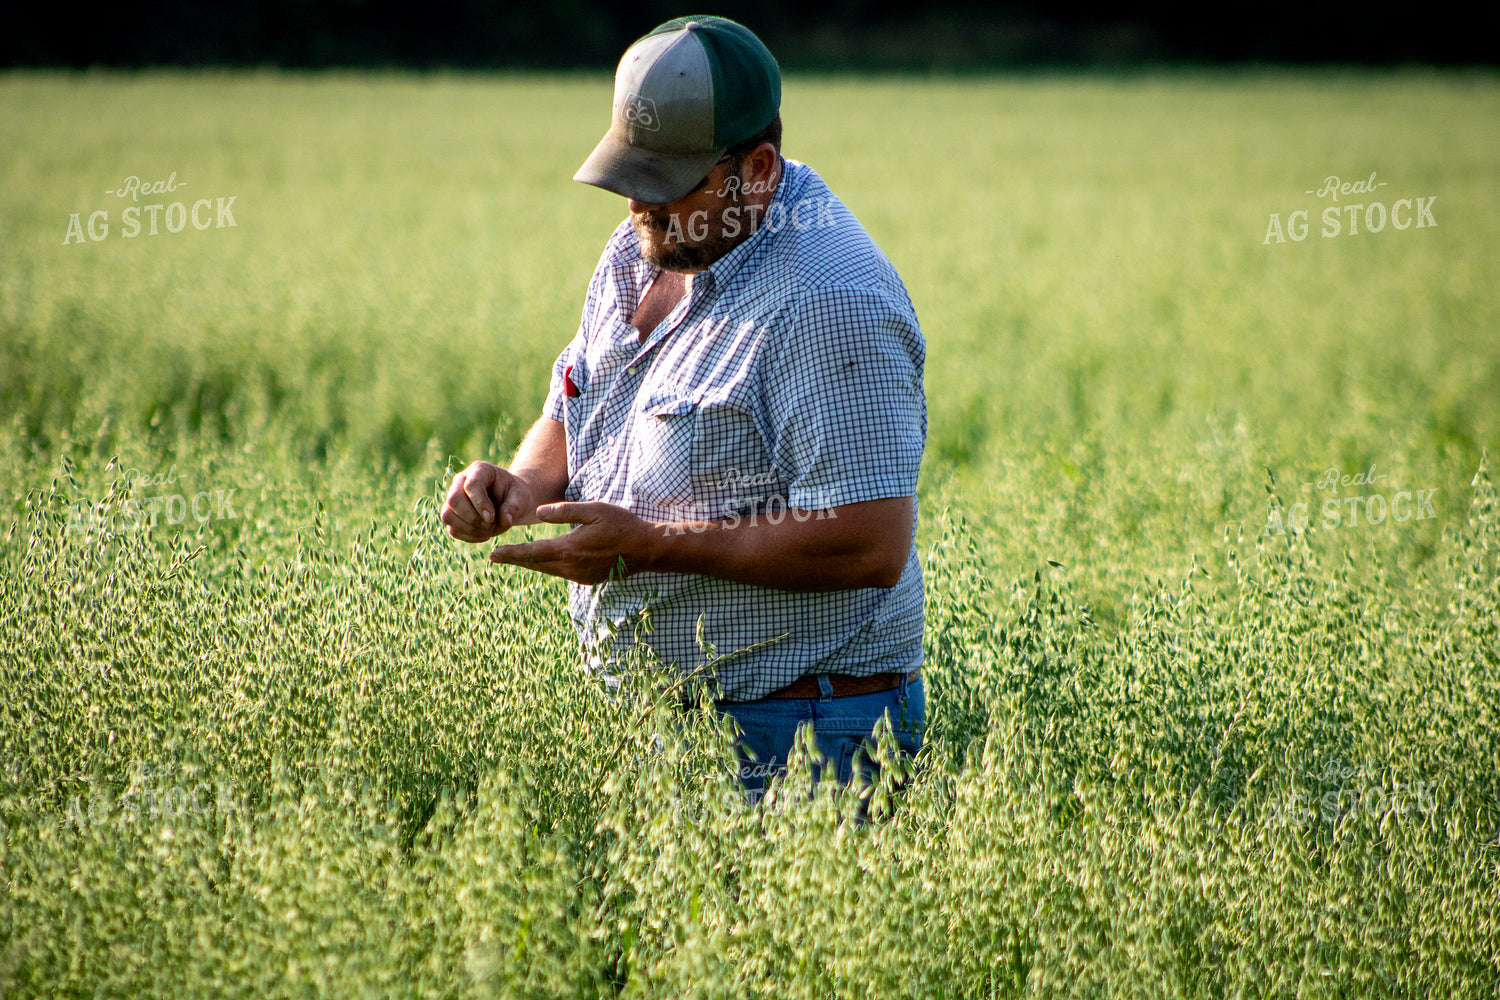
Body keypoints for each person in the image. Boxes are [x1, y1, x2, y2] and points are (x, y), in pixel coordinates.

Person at [439, 15, 927, 805]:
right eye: (630, 175)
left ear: (757, 169)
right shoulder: (652, 242)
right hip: (670, 725)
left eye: (665, 182)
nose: (638, 203)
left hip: (808, 735)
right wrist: (525, 486)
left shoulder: (829, 301)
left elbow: (871, 544)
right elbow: (576, 393)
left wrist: (652, 546)